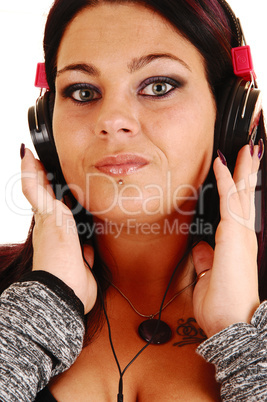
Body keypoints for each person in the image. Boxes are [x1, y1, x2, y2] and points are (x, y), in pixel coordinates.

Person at [0, 0, 266, 400]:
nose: (111, 120)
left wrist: (243, 337)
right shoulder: (12, 310)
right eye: (83, 91)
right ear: (45, 129)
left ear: (232, 116)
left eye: (158, 86)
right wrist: (40, 310)